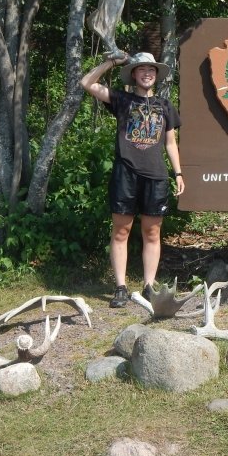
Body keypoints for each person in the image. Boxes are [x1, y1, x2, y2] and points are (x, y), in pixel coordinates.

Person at [80, 52, 185, 308]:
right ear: (134, 75)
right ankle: (121, 287)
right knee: (121, 230)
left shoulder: (165, 105)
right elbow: (87, 84)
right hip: (125, 174)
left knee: (152, 232)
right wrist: (112, 62)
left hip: (156, 176)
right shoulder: (122, 99)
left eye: (151, 69)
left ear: (156, 75)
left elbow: (171, 143)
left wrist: (178, 173)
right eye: (141, 69)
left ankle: (149, 286)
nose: (147, 73)